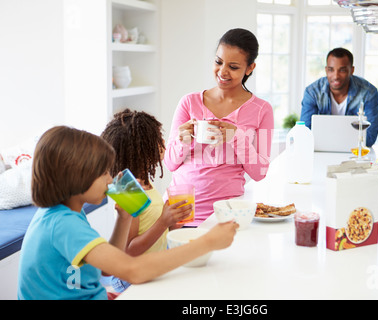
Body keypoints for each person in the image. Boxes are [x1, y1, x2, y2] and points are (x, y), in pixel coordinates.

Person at [17, 126, 238, 300]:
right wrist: (207, 242)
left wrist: (125, 217)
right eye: (103, 172)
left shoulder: (63, 214)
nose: (110, 179)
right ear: (76, 177)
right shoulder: (64, 225)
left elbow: (105, 269)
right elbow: (132, 270)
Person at [164, 28, 274, 226]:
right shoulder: (189, 102)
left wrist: (236, 137)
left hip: (225, 214)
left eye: (233, 66)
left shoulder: (262, 110)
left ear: (249, 68)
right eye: (218, 62)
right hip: (181, 211)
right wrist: (183, 141)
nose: (222, 71)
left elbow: (260, 172)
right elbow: (170, 163)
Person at [100, 108, 192, 293]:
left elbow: (152, 227)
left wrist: (173, 223)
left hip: (148, 270)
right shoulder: (129, 191)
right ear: (142, 151)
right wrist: (163, 221)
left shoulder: (144, 183)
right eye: (157, 140)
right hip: (131, 279)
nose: (163, 143)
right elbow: (129, 251)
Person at [300, 47, 378, 147]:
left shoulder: (368, 93)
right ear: (326, 70)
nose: (336, 76)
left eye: (342, 70)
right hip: (321, 151)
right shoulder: (312, 93)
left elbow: (370, 137)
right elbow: (304, 133)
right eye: (331, 70)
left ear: (352, 70)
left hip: (355, 153)